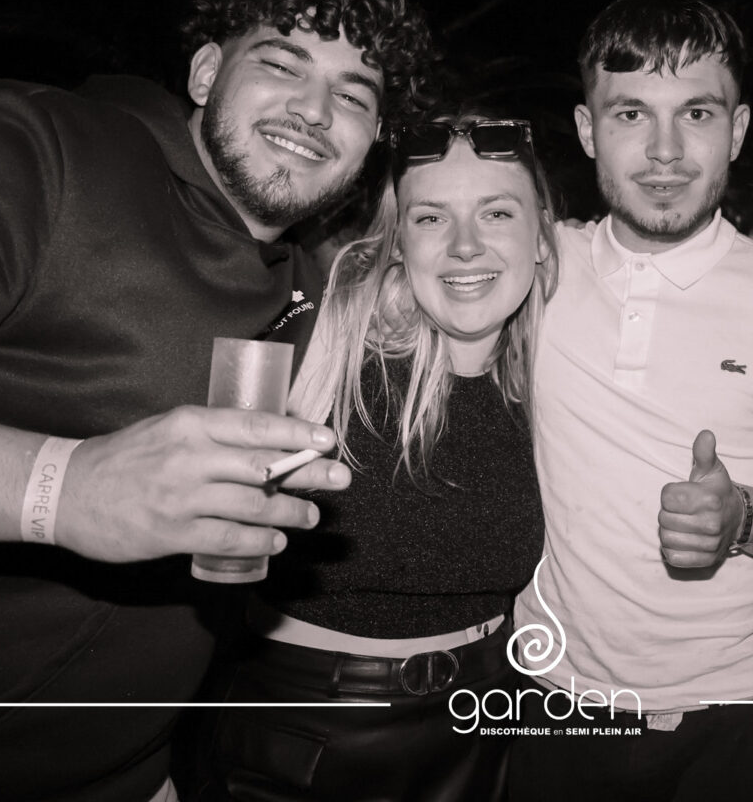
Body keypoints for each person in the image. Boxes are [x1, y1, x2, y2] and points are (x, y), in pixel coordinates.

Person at [0, 0, 434, 801]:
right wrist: (62, 487)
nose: (314, 110)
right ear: (206, 72)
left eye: (352, 96)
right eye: (282, 65)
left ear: (372, 139)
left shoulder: (313, 283)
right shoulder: (38, 150)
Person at [508, 0, 753, 801]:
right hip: (546, 698)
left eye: (696, 114)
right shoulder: (532, 269)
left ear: (736, 129)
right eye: (631, 114)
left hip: (732, 715)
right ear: (588, 130)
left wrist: (741, 519)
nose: (664, 151)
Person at [203, 109, 558, 801]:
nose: (464, 246)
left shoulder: (556, 376)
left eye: (496, 214)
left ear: (542, 238)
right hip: (309, 730)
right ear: (399, 244)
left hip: (487, 726)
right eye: (430, 218)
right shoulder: (322, 346)